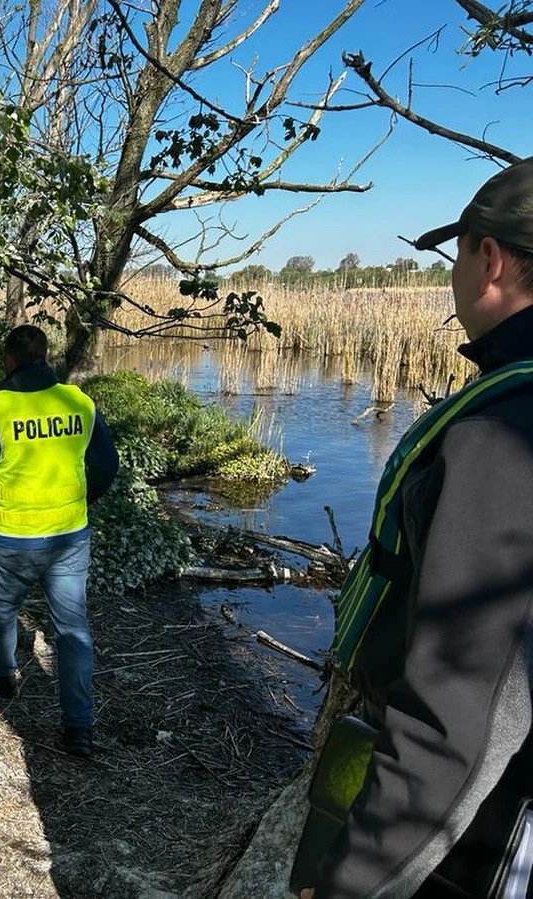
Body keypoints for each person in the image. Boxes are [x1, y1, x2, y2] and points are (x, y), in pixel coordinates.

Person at [298, 158, 533, 898]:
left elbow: (459, 712)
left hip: (481, 840)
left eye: (456, 253)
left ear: (488, 258)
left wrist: (354, 880)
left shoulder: (505, 437)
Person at [0, 324, 118, 758]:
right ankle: (79, 727)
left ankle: (3, 674)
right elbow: (106, 464)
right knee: (73, 630)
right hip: (68, 536)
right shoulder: (78, 402)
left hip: (13, 539)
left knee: (2, 608)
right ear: (46, 356)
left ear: (9, 360)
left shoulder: (0, 407)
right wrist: (83, 498)